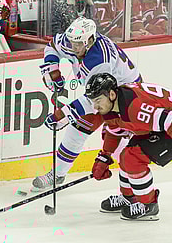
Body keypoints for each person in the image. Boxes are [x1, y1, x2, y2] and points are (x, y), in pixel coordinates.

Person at [32, 17, 142, 190]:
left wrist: (64, 113)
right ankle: (58, 175)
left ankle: (133, 193)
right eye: (72, 43)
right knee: (76, 130)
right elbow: (52, 46)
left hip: (125, 96)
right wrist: (53, 69)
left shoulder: (99, 60)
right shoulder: (75, 42)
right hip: (103, 92)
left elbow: (97, 99)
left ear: (90, 41)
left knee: (119, 144)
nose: (74, 48)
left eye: (78, 44)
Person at [85, 73, 172, 221]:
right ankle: (129, 197)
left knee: (131, 157)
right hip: (165, 124)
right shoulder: (113, 106)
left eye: (98, 100)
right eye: (92, 101)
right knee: (126, 154)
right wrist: (105, 156)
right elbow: (114, 131)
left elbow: (171, 120)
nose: (95, 107)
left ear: (111, 94)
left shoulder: (134, 107)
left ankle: (149, 205)